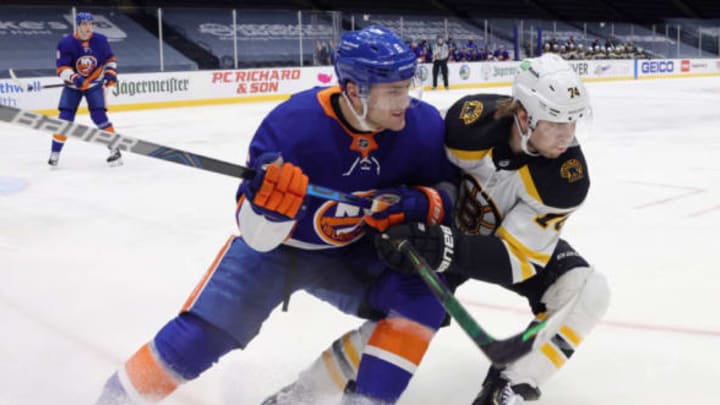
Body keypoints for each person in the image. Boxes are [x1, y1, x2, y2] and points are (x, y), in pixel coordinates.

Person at [94, 25, 459, 405]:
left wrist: (419, 203)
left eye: (407, 85)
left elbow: (449, 192)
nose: (407, 100)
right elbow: (255, 236)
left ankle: (314, 398)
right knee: (203, 335)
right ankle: (116, 400)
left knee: (426, 298)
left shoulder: (423, 127)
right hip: (278, 252)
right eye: (394, 92)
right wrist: (269, 208)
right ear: (355, 91)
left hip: (354, 252)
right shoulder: (292, 125)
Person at [262, 53, 611, 405]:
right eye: (555, 123)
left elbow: (518, 259)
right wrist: (404, 206)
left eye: (572, 123)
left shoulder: (565, 179)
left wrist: (445, 246)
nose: (567, 136)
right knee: (405, 322)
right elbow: (420, 167)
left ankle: (509, 387)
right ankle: (302, 395)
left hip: (493, 246)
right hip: (436, 226)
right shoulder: (469, 125)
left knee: (588, 290)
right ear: (523, 116)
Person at [49, 11, 121, 167]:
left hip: (94, 85)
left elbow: (110, 59)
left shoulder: (100, 40)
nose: (88, 27)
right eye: (84, 24)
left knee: (99, 117)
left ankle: (115, 150)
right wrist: (74, 78)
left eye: (90, 24)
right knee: (65, 118)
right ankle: (54, 154)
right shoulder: (66, 43)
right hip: (73, 87)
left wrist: (110, 73)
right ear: (78, 25)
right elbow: (62, 68)